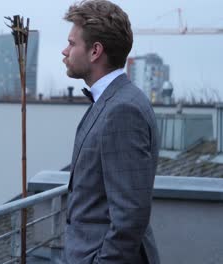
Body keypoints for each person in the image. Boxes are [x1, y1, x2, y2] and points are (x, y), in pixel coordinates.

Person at [61, 0, 160, 263]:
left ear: (95, 51)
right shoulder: (116, 100)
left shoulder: (122, 110)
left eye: (72, 44)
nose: (64, 51)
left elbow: (131, 214)